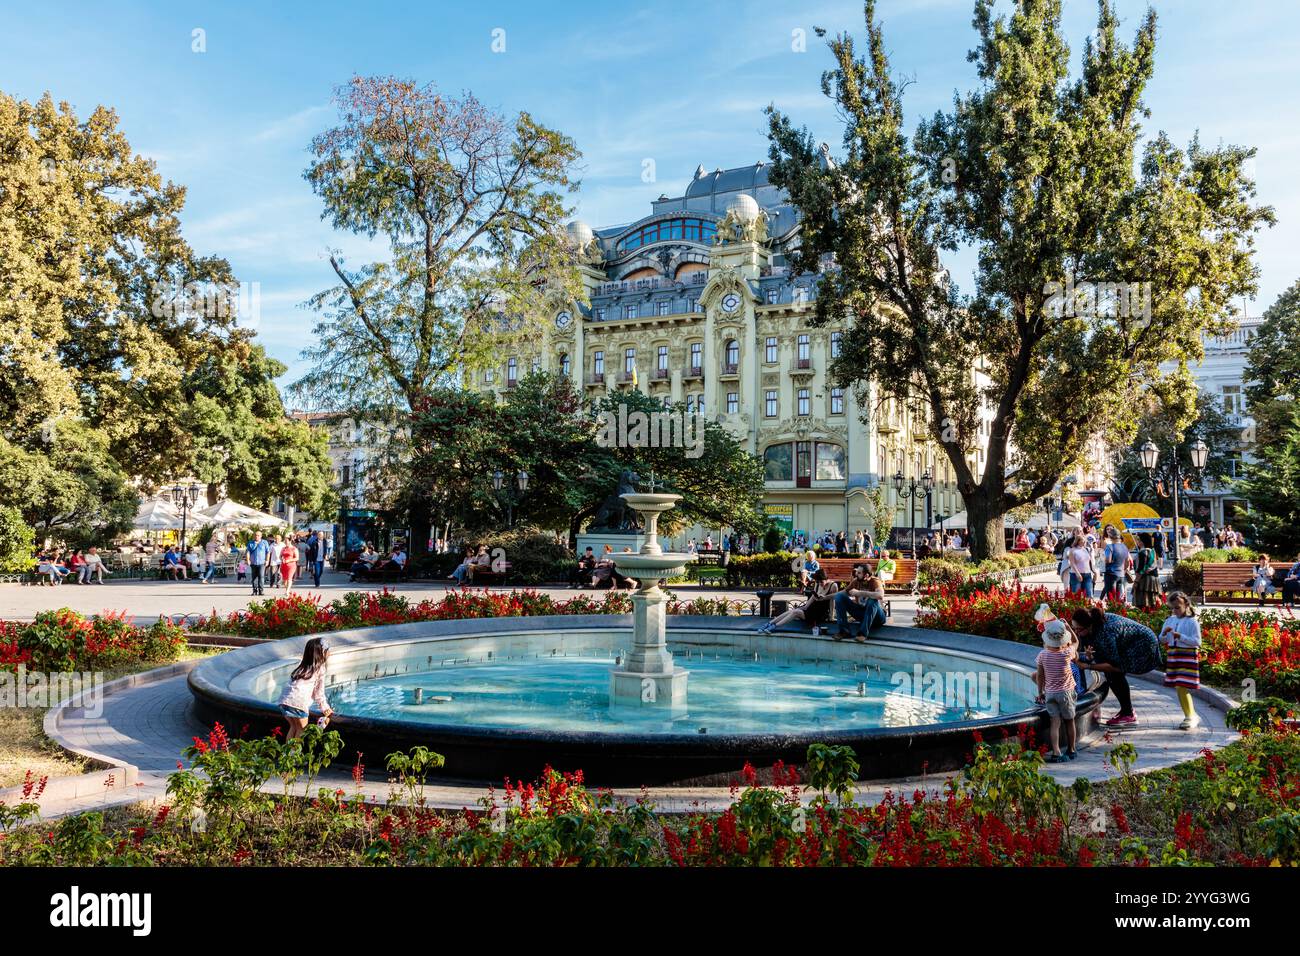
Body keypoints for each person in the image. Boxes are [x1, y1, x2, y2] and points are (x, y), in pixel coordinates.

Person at [1071, 607, 1162, 727]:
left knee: (1114, 673)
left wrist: (1087, 666)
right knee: (1111, 672)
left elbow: (1112, 665)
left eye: (1078, 629)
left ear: (1089, 626)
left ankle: (1128, 714)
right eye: (1074, 628)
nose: (1076, 633)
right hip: (1128, 642)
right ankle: (1127, 711)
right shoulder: (1094, 624)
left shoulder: (1106, 634)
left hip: (1143, 644)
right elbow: (1094, 653)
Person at [1034, 610, 1078, 762]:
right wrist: (1068, 627)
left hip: (1050, 694)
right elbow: (1075, 642)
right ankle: (1071, 749)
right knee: (1070, 721)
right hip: (1066, 694)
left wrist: (1040, 693)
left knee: (1055, 723)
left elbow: (1040, 676)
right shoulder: (1067, 653)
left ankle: (1056, 752)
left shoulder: (1042, 655)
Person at [1159, 591, 1202, 730]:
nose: (1175, 610)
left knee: (1182, 685)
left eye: (1178, 607)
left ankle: (1190, 716)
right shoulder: (1170, 620)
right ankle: (1190, 715)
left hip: (1187, 655)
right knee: (1179, 685)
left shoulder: (1192, 621)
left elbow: (1197, 642)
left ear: (1186, 605)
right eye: (1173, 607)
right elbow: (1162, 639)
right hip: (1174, 654)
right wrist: (1165, 634)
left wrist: (1180, 636)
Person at [279, 637, 334, 741]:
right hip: (298, 703)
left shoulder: (301, 667)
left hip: (284, 701)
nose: (330, 653)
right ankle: (294, 755)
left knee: (293, 727)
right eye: (328, 650)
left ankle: (286, 754)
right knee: (301, 729)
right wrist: (325, 708)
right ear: (321, 653)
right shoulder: (320, 669)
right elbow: (319, 693)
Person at [758, 568, 838, 633]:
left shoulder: (833, 586)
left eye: (821, 582)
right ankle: (769, 623)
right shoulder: (817, 584)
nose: (819, 583)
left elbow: (832, 601)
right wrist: (805, 606)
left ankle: (774, 627)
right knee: (794, 610)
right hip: (812, 609)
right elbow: (813, 597)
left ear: (826, 579)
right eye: (817, 582)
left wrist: (831, 616)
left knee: (796, 612)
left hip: (819, 614)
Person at [832, 566, 886, 642]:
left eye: (859, 573)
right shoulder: (856, 581)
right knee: (839, 596)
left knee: (872, 600)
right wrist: (824, 597)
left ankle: (862, 634)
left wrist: (859, 593)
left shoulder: (875, 581)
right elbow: (842, 593)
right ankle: (844, 631)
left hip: (877, 617)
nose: (856, 574)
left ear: (866, 575)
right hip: (862, 614)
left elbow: (880, 595)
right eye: (857, 572)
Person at [1102, 527, 1131, 602]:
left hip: (1111, 573)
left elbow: (1108, 560)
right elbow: (1127, 561)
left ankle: (1112, 612)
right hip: (1121, 574)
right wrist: (1124, 569)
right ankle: (1117, 612)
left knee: (1111, 598)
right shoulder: (1124, 547)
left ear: (1111, 537)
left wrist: (1102, 559)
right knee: (1118, 597)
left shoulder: (1110, 546)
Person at [1132, 534, 1161, 608]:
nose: (1137, 541)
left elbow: (1141, 569)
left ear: (1142, 542)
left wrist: (1136, 581)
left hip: (1145, 580)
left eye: (1138, 540)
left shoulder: (1143, 552)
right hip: (1154, 579)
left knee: (1143, 602)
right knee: (1152, 601)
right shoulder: (1152, 551)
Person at [246, 531, 271, 596]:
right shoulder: (250, 543)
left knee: (261, 576)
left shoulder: (264, 542)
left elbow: (268, 552)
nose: (256, 536)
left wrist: (267, 560)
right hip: (253, 562)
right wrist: (248, 560)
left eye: (258, 535)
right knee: (254, 577)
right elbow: (248, 552)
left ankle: (261, 590)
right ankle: (254, 590)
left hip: (262, 562)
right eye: (255, 535)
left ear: (261, 536)